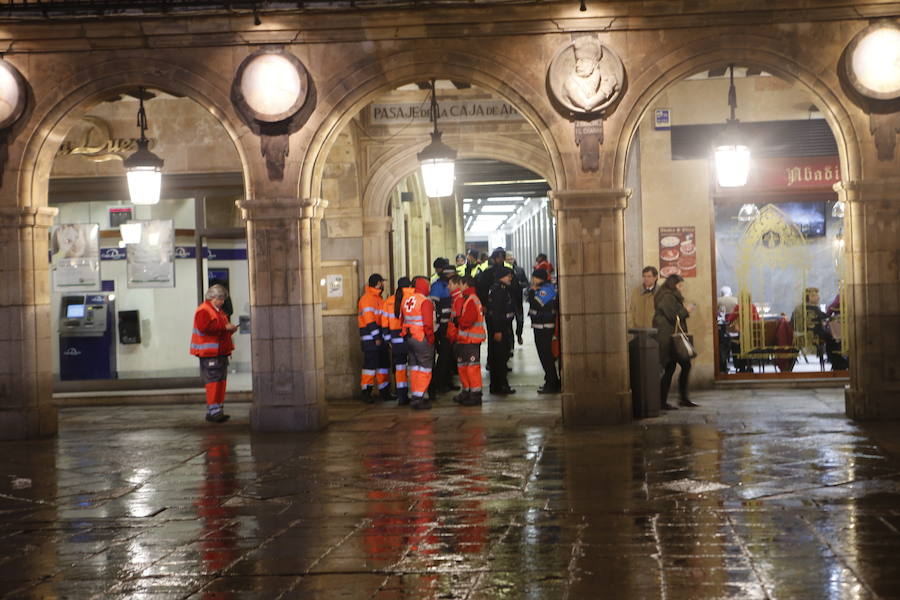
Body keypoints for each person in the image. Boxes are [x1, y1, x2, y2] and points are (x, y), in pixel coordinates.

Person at [190, 284, 238, 423]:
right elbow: (204, 327)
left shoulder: (217, 310)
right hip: (210, 353)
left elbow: (219, 329)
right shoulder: (204, 310)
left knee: (220, 381)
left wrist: (229, 329)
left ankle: (217, 410)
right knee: (213, 382)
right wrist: (225, 327)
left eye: (223, 299)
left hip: (219, 352)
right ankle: (213, 411)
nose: (222, 302)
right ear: (212, 297)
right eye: (220, 299)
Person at [653, 274, 698, 410]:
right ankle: (667, 401)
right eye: (679, 286)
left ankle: (678, 399)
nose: (681, 288)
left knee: (678, 367)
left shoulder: (670, 296)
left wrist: (683, 308)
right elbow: (673, 316)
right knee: (673, 368)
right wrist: (686, 310)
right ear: (673, 285)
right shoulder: (667, 296)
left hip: (671, 337)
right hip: (668, 339)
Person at [447, 275, 487, 406]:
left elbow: (467, 321)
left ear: (465, 284)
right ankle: (467, 391)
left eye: (461, 284)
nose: (459, 286)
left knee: (472, 368)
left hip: (470, 340)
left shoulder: (471, 300)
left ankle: (475, 395)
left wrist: (457, 321)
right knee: (463, 367)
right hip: (465, 340)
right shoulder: (468, 299)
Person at [401, 276, 435, 410]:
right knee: (425, 368)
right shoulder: (425, 301)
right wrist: (431, 339)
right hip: (421, 337)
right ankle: (419, 397)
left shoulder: (406, 299)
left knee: (414, 368)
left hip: (409, 337)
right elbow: (427, 323)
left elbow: (401, 319)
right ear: (425, 287)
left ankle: (415, 395)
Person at [563, 36, 619, 112]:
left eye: (582, 61)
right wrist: (608, 87)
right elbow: (587, 105)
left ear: (594, 64)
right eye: (577, 61)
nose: (577, 65)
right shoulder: (570, 82)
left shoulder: (597, 77)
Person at [357, 273, 389, 403]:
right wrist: (376, 337)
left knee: (383, 364)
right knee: (370, 366)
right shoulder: (366, 299)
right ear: (378, 283)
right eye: (382, 282)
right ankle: (366, 393)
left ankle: (384, 391)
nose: (384, 284)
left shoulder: (379, 299)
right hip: (371, 338)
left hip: (379, 337)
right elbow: (370, 321)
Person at [528, 268, 561, 394]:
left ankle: (552, 384)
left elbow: (536, 304)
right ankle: (549, 381)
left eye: (534, 277)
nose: (532, 280)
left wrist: (532, 291)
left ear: (538, 278)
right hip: (539, 326)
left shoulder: (546, 290)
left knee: (546, 356)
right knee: (544, 356)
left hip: (544, 327)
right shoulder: (545, 288)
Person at [430, 258, 458, 394]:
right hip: (442, 328)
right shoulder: (437, 287)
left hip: (451, 326)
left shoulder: (451, 286)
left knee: (450, 356)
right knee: (444, 356)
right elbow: (433, 307)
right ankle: (439, 384)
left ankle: (448, 381)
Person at [487, 266, 516, 395]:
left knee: (498, 357)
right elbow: (497, 312)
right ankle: (501, 386)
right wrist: (498, 330)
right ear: (501, 277)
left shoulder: (499, 288)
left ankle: (497, 385)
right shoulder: (500, 290)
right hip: (500, 328)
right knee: (500, 357)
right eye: (508, 275)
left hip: (501, 327)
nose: (510, 277)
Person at [384, 277, 413, 405]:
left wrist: (387, 339)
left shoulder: (389, 301)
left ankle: (402, 396)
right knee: (415, 367)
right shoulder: (414, 298)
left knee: (400, 368)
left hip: (396, 340)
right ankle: (418, 394)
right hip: (411, 338)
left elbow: (384, 323)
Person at [507, 252, 529, 346]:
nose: (510, 260)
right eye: (508, 259)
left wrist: (520, 284)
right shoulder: (504, 271)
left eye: (511, 258)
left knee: (520, 320)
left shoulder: (519, 270)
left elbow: (526, 282)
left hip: (518, 299)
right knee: (508, 323)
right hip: (507, 300)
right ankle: (511, 344)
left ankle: (519, 334)